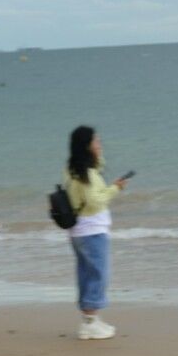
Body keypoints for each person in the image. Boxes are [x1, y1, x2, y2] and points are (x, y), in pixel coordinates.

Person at [64, 126, 128, 340]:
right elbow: (95, 201)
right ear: (86, 146)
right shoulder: (87, 174)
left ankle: (90, 319)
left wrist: (97, 157)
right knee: (99, 274)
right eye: (96, 142)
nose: (100, 145)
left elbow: (93, 182)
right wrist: (115, 189)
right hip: (92, 230)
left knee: (86, 273)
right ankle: (90, 322)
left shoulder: (73, 169)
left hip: (77, 231)